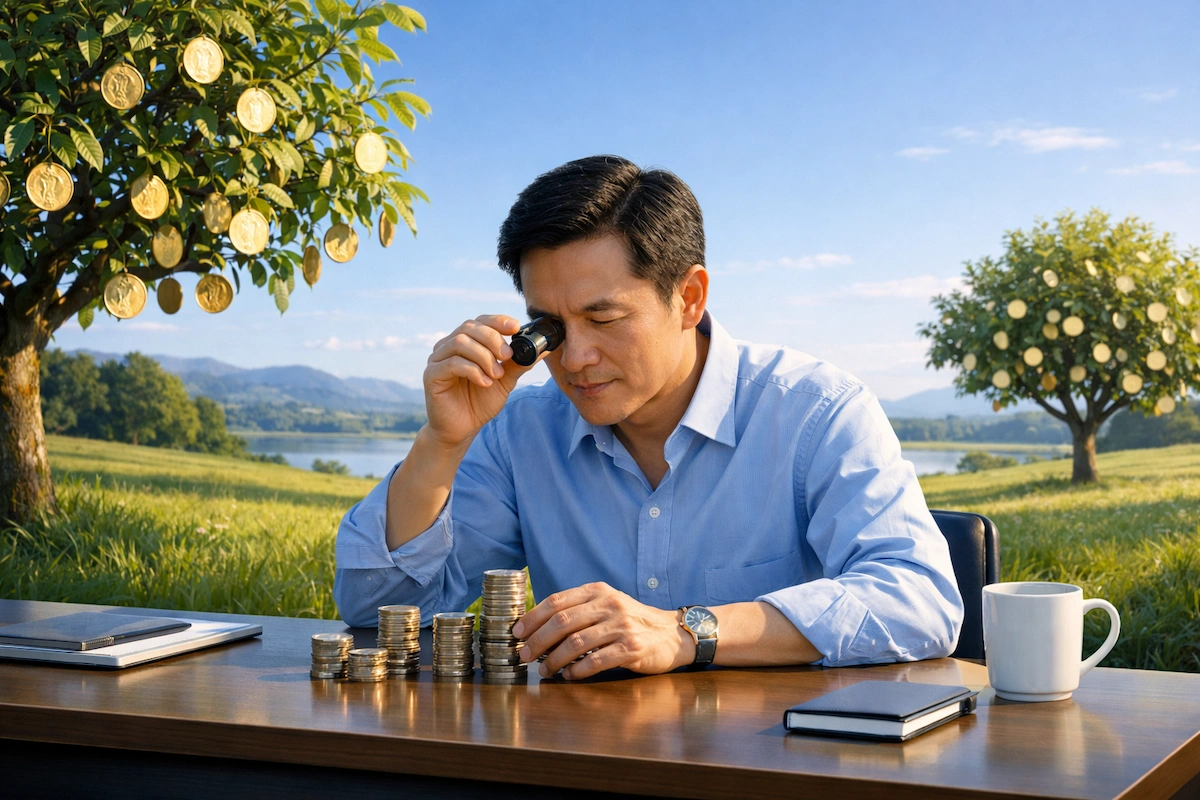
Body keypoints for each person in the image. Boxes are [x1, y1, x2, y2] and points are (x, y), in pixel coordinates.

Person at [334, 155, 963, 680]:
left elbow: (920, 599)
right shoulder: (519, 433)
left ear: (688, 298)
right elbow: (375, 612)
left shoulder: (816, 412)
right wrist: (442, 443)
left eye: (604, 319)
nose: (575, 359)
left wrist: (689, 631)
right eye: (551, 328)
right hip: (585, 765)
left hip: (773, 765)